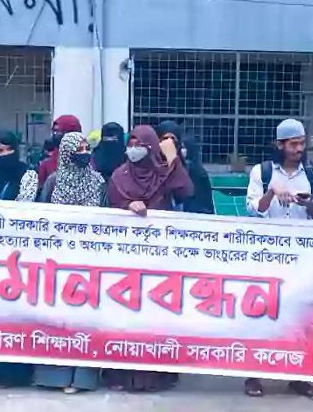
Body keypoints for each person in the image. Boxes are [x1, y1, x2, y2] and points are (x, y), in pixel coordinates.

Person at [105, 124, 194, 393]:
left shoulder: (164, 174)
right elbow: (112, 201)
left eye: (139, 143)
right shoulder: (119, 175)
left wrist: (172, 159)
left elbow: (187, 191)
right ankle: (120, 374)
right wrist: (126, 205)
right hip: (126, 259)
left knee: (156, 315)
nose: (133, 149)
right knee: (126, 317)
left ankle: (156, 375)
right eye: (130, 143)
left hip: (159, 258)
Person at [243, 119, 313, 397]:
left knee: (300, 315)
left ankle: (297, 375)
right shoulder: (262, 172)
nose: (299, 149)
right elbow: (254, 210)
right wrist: (271, 193)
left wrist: (308, 203)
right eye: (293, 144)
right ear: (280, 144)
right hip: (267, 255)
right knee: (261, 314)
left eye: (302, 143)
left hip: (301, 257)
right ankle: (254, 375)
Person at [33, 131, 108, 393]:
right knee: (57, 318)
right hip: (57, 258)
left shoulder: (98, 182)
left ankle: (82, 378)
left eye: (87, 147)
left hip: (88, 260)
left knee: (83, 319)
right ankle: (53, 377)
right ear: (66, 152)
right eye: (79, 148)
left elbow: (107, 221)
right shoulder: (53, 182)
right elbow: (40, 218)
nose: (84, 152)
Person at [156, 121, 214, 214]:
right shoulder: (151, 169)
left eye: (173, 139)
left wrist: (173, 162)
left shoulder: (195, 172)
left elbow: (203, 206)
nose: (169, 143)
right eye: (165, 138)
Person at [0, 131, 38, 203]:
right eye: (0, 151)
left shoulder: (28, 174)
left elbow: (24, 204)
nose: (6, 153)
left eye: (10, 149)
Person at [37, 115, 82, 188]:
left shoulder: (87, 162)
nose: (56, 135)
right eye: (54, 131)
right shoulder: (46, 164)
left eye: (59, 131)